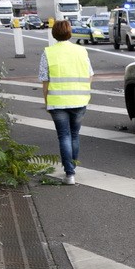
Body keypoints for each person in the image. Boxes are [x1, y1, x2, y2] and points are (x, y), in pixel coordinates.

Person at [40, 20, 93, 186]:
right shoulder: (81, 51)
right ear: (70, 32)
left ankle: (69, 174)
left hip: (57, 101)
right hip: (79, 100)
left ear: (54, 34)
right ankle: (73, 168)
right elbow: (90, 74)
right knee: (74, 135)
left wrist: (47, 101)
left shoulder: (48, 52)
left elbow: (45, 80)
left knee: (64, 136)